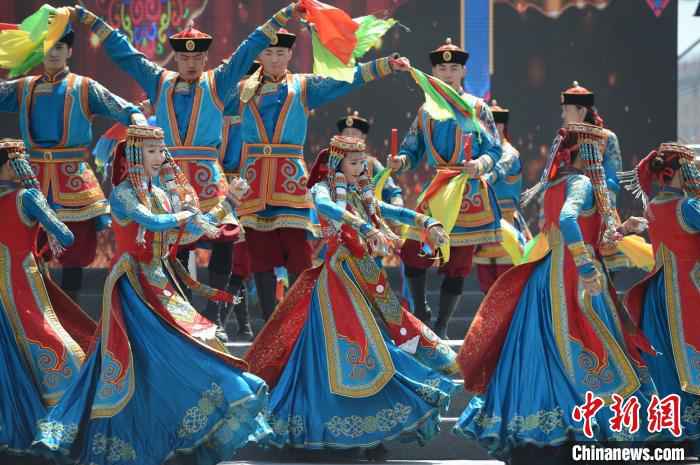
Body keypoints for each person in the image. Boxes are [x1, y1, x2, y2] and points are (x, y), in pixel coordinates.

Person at [34, 125, 271, 465]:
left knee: (174, 353)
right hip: (133, 287)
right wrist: (185, 213)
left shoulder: (161, 194)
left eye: (161, 151)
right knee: (150, 359)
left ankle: (184, 424)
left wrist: (229, 201)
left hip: (161, 282)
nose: (160, 158)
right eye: (151, 152)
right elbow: (154, 222)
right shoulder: (123, 194)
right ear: (133, 155)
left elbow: (191, 228)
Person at [72, 2, 302, 336]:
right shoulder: (159, 81)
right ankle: (179, 315)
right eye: (185, 58)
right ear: (176, 58)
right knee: (171, 248)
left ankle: (216, 316)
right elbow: (125, 55)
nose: (191, 63)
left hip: (210, 184)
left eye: (197, 58)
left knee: (225, 240)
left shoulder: (219, 82)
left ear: (204, 59)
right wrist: (93, 22)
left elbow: (248, 47)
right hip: (167, 183)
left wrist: (279, 17)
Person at [454, 123, 657, 464]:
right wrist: (585, 265)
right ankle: (582, 431)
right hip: (572, 280)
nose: (601, 155)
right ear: (582, 152)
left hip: (547, 277)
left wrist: (622, 230)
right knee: (584, 348)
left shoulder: (554, 183)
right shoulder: (579, 183)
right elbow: (567, 220)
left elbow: (592, 234)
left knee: (543, 356)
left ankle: (545, 436)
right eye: (595, 149)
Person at [245, 135, 457, 460]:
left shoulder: (360, 194)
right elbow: (328, 208)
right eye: (355, 163)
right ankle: (338, 430)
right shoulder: (322, 188)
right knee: (352, 352)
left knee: (377, 345)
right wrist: (363, 226)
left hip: (365, 276)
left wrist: (428, 222)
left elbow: (389, 210)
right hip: (338, 281)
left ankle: (371, 433)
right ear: (338, 164)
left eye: (363, 162)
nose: (362, 168)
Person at [227, 26, 412, 320]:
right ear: (259, 54)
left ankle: (301, 319)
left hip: (290, 184)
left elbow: (343, 80)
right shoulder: (239, 90)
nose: (274, 59)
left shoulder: (303, 86)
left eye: (280, 53)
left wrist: (382, 65)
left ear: (289, 54)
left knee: (298, 256)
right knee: (260, 259)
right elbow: (206, 102)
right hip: (254, 184)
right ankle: (270, 325)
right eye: (268, 52)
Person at [0, 11, 145, 301]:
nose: (52, 53)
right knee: (27, 250)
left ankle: (72, 320)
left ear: (69, 51)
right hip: (32, 179)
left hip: (73, 182)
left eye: (58, 47)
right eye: (48, 47)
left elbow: (125, 109)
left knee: (74, 255)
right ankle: (39, 317)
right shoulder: (24, 87)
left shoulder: (84, 87)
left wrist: (138, 120)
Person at [390, 38, 502, 338]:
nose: (448, 73)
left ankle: (441, 323)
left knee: (458, 262)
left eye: (454, 67)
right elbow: (411, 149)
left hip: (468, 191)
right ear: (434, 73)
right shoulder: (426, 110)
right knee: (414, 249)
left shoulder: (478, 108)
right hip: (439, 187)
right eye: (442, 68)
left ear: (463, 72)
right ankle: (422, 309)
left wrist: (479, 165)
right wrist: (400, 161)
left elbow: (495, 150)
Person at [0, 138, 96, 461]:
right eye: (22, 160)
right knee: (58, 347)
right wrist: (50, 233)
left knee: (13, 352)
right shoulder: (27, 196)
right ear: (13, 164)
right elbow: (66, 235)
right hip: (22, 283)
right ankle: (66, 421)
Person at [622, 143, 700, 446]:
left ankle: (675, 428)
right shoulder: (688, 207)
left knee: (667, 364)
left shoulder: (653, 206)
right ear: (679, 171)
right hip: (688, 292)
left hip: (659, 295)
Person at [474, 100, 532, 293]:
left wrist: (480, 178)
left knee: (508, 290)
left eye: (494, 124)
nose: (490, 129)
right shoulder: (481, 155)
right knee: (486, 290)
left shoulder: (509, 153)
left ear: (502, 125)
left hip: (506, 225)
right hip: (483, 227)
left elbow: (499, 169)